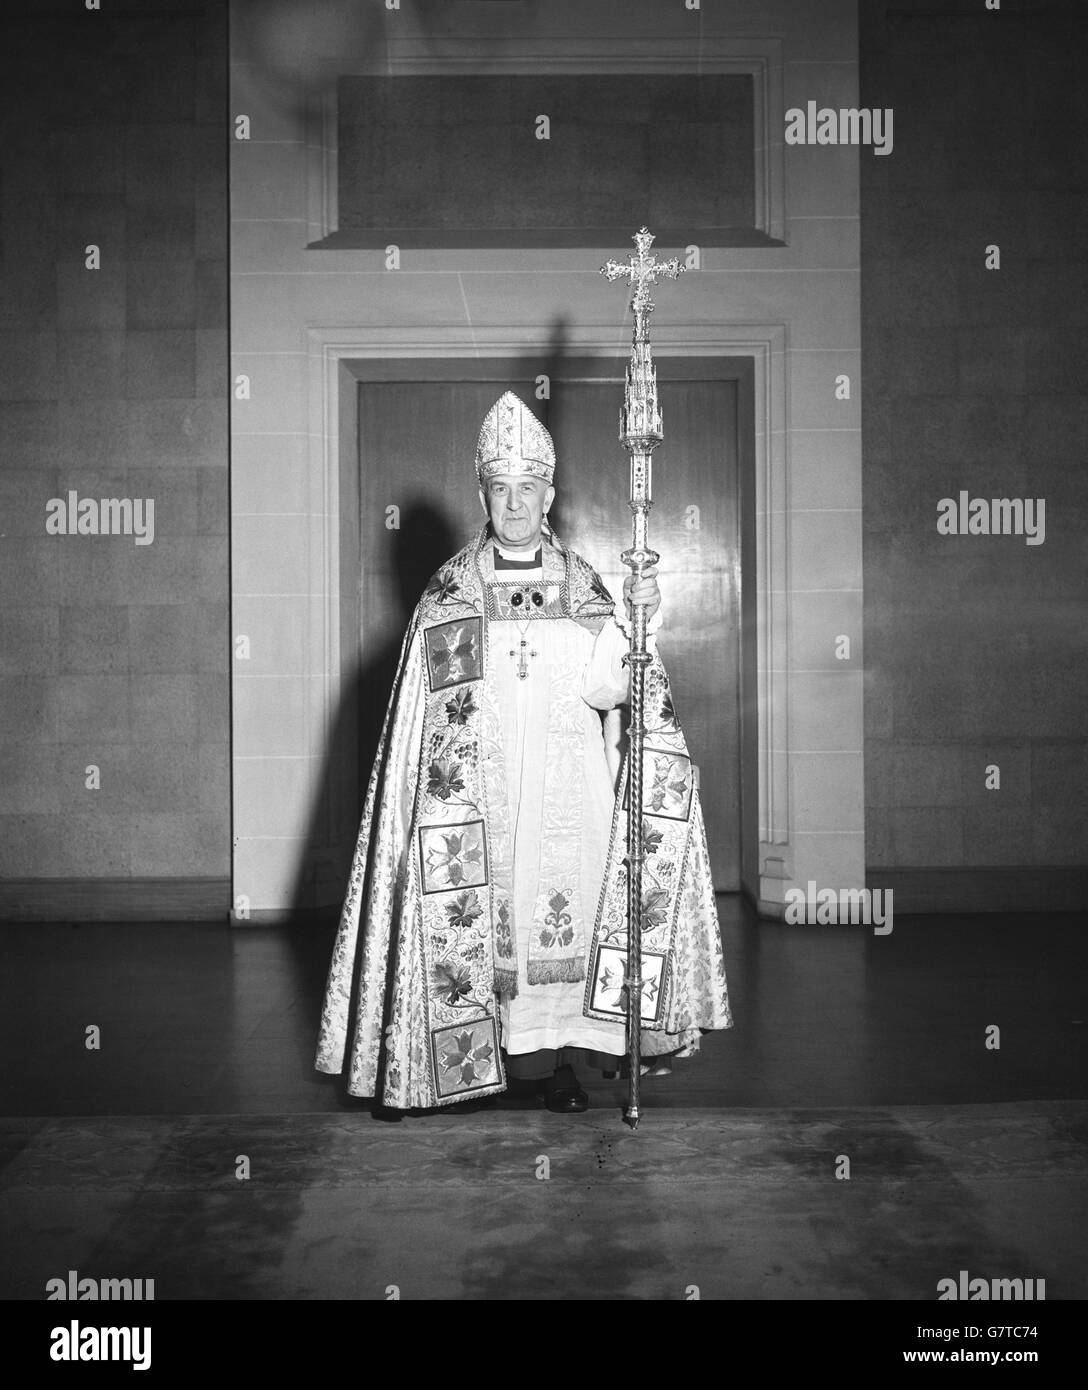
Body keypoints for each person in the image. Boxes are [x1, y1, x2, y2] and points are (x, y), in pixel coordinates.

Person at [315, 391, 731, 1114]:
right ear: (482, 493)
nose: (514, 503)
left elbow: (612, 687)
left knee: (560, 924)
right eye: (500, 489)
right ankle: (466, 1064)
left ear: (550, 496)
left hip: (569, 804)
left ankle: (559, 1062)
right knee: (482, 924)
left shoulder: (584, 589)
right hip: (480, 805)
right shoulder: (450, 594)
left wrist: (640, 618)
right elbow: (425, 729)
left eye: (528, 489)